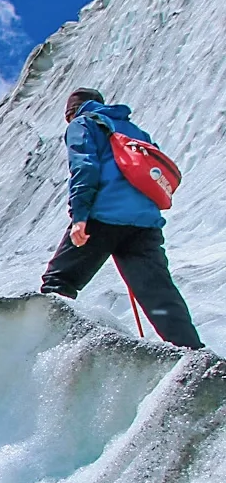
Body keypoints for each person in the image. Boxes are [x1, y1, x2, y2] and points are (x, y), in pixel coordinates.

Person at [40, 88, 203, 348]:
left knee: (59, 282)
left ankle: (42, 345)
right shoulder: (134, 130)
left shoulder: (83, 124)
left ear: (71, 112)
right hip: (145, 224)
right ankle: (193, 353)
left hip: (103, 216)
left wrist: (80, 217)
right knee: (159, 294)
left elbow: (84, 167)